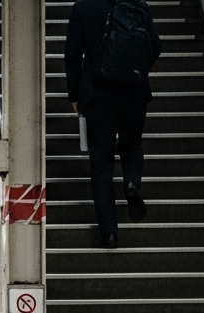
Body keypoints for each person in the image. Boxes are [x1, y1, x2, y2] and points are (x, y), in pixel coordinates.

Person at [65, 0, 162, 248]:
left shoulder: (83, 8)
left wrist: (74, 95)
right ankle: (131, 184)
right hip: (135, 94)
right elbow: (156, 46)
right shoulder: (138, 6)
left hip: (98, 96)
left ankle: (109, 233)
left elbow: (73, 54)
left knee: (101, 164)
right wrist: (135, 69)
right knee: (132, 146)